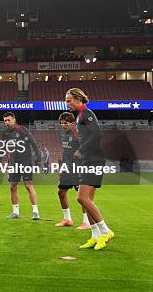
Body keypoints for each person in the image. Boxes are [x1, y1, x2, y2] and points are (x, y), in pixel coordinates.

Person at [65, 88, 114, 251]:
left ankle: (106, 232)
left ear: (78, 99)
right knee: (87, 200)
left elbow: (97, 135)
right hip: (88, 160)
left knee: (82, 198)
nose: (67, 104)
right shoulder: (80, 116)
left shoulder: (87, 114)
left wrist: (81, 150)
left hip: (94, 160)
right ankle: (95, 236)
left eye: (69, 100)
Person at [2, 112, 42, 220]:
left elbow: (34, 144)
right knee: (12, 186)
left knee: (28, 186)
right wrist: (3, 161)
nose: (6, 122)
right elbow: (4, 148)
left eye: (8, 120)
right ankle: (15, 212)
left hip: (25, 162)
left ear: (14, 120)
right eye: (5, 121)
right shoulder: (5, 133)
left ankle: (35, 212)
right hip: (13, 163)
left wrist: (39, 158)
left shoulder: (23, 130)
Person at [55, 112, 91, 229]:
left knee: (82, 197)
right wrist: (62, 167)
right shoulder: (62, 134)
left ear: (72, 123)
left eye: (66, 123)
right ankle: (67, 219)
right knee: (61, 192)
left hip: (79, 168)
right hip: (67, 168)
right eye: (61, 123)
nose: (63, 125)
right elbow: (66, 152)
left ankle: (86, 222)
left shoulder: (78, 134)